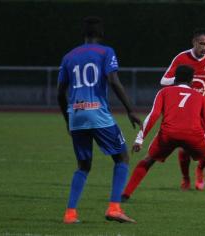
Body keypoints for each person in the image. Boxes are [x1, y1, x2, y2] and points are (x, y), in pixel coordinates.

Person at [57, 16, 141, 224]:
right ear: (101, 34)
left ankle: (70, 213)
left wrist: (68, 120)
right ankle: (114, 208)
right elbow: (113, 80)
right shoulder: (106, 52)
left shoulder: (68, 56)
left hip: (76, 115)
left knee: (83, 166)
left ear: (83, 35)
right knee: (122, 158)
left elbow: (60, 93)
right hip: (98, 114)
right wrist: (130, 110)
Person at [122, 65, 205, 204]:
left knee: (148, 160)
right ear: (191, 80)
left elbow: (153, 115)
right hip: (193, 134)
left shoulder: (164, 92)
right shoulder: (199, 97)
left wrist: (140, 139)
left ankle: (125, 195)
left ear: (175, 78)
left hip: (168, 134)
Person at [159, 28, 205, 191]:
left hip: (203, 110)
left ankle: (200, 170)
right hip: (186, 111)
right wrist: (180, 79)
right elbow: (164, 80)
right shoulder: (181, 58)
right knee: (184, 148)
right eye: (202, 44)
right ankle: (186, 178)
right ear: (194, 42)